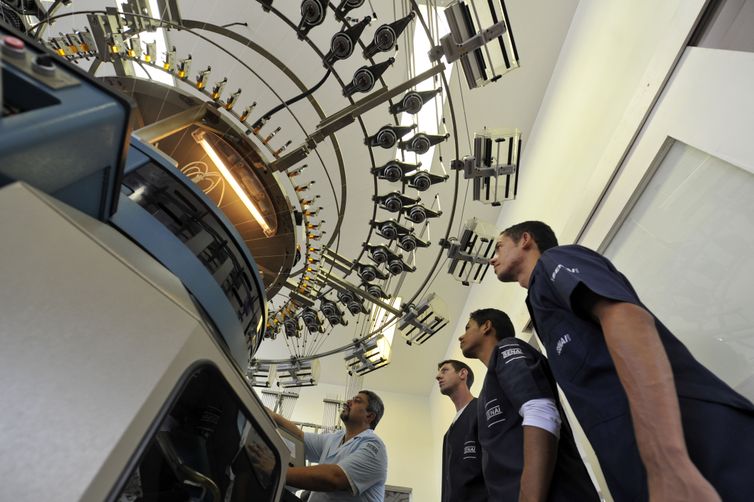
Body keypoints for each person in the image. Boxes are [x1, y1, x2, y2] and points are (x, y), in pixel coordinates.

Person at [489, 220, 754, 501]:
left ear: (526, 240)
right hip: (636, 468)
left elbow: (627, 318)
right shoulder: (539, 306)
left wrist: (666, 463)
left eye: (499, 246)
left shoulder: (556, 260)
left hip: (699, 449)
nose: (492, 258)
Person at [459, 308, 599, 501]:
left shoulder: (507, 348)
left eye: (467, 328)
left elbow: (541, 412)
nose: (461, 336)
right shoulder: (485, 392)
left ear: (486, 327)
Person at [264, 390, 388, 502]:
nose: (349, 401)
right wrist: (273, 416)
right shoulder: (335, 438)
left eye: (357, 401)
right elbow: (300, 437)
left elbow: (333, 478)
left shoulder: (374, 446)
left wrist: (275, 469)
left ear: (369, 416)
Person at [435, 359, 487, 502]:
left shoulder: (482, 409)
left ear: (462, 374)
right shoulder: (448, 434)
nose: (438, 376)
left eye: (444, 370)